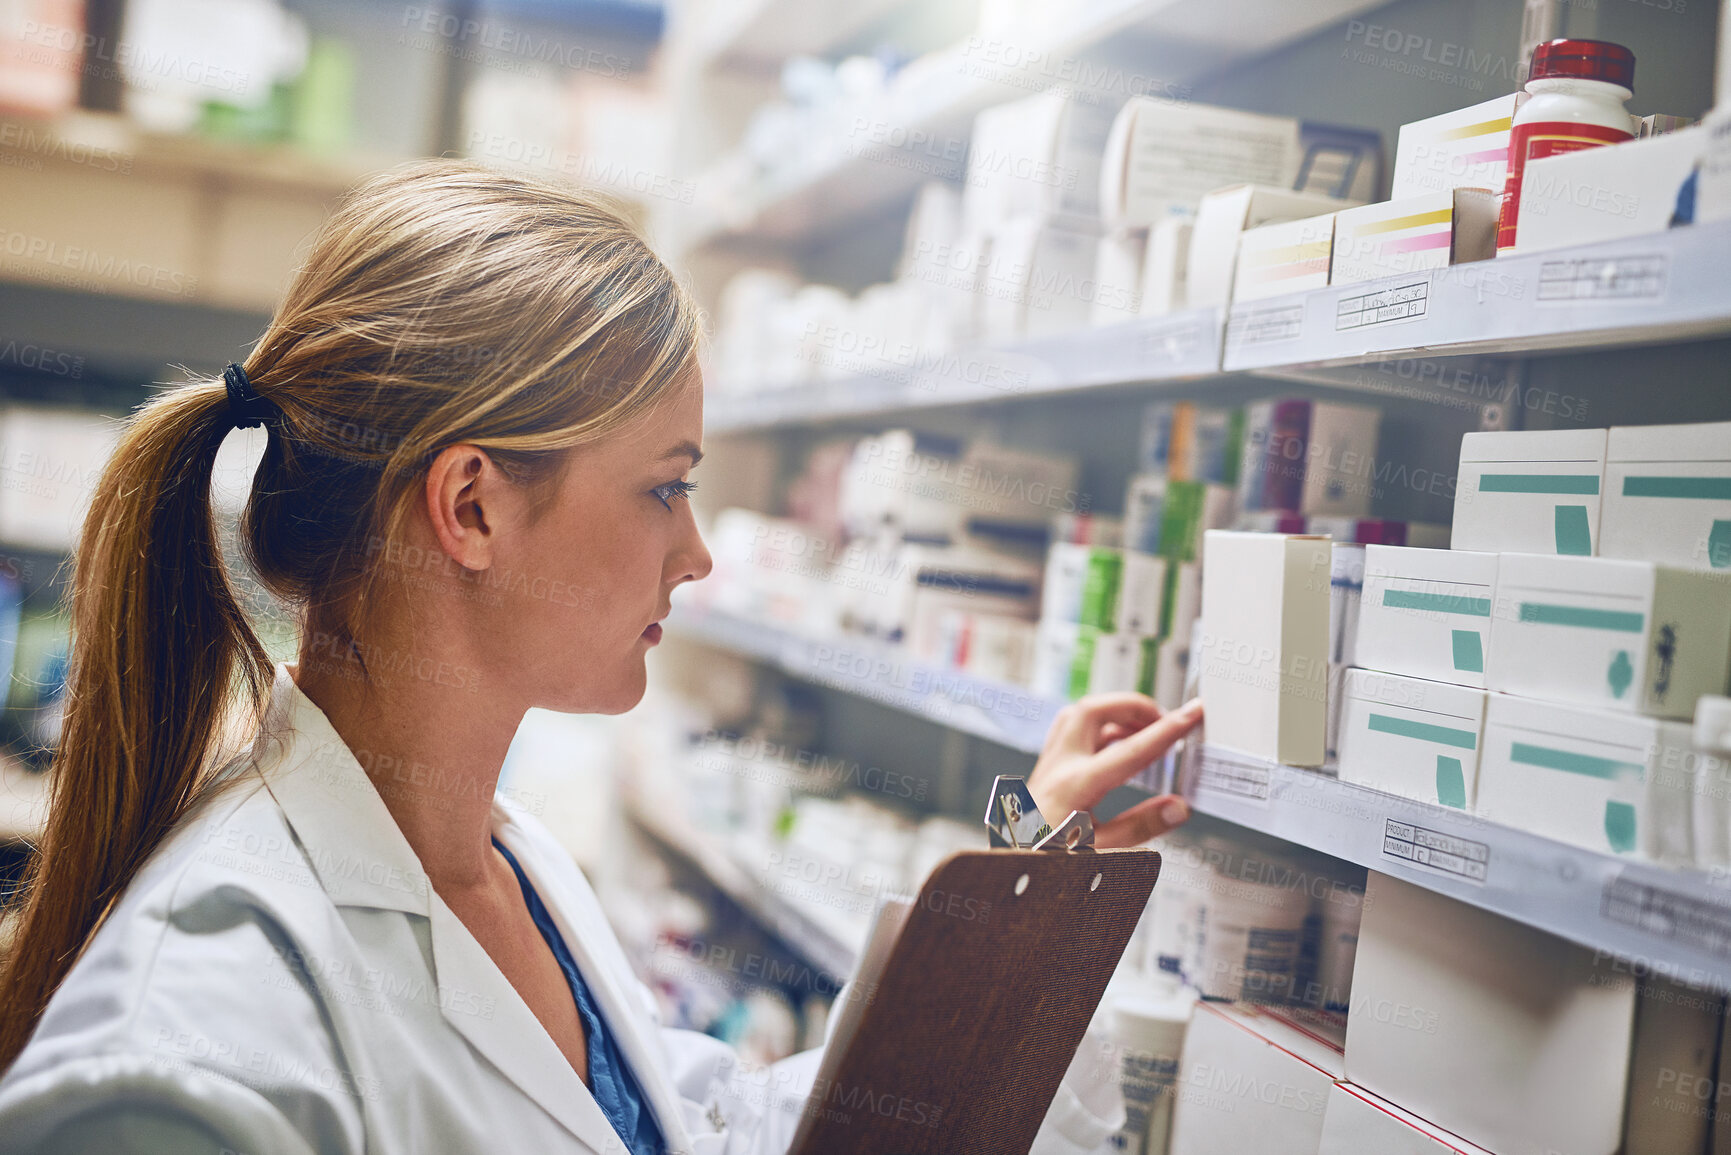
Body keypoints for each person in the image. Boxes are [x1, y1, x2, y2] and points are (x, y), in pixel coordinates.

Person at [0, 159, 1204, 1154]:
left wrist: (1013, 881)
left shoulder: (506, 867)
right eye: (666, 489)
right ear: (470, 508)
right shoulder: (193, 1049)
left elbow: (692, 1132)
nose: (698, 555)